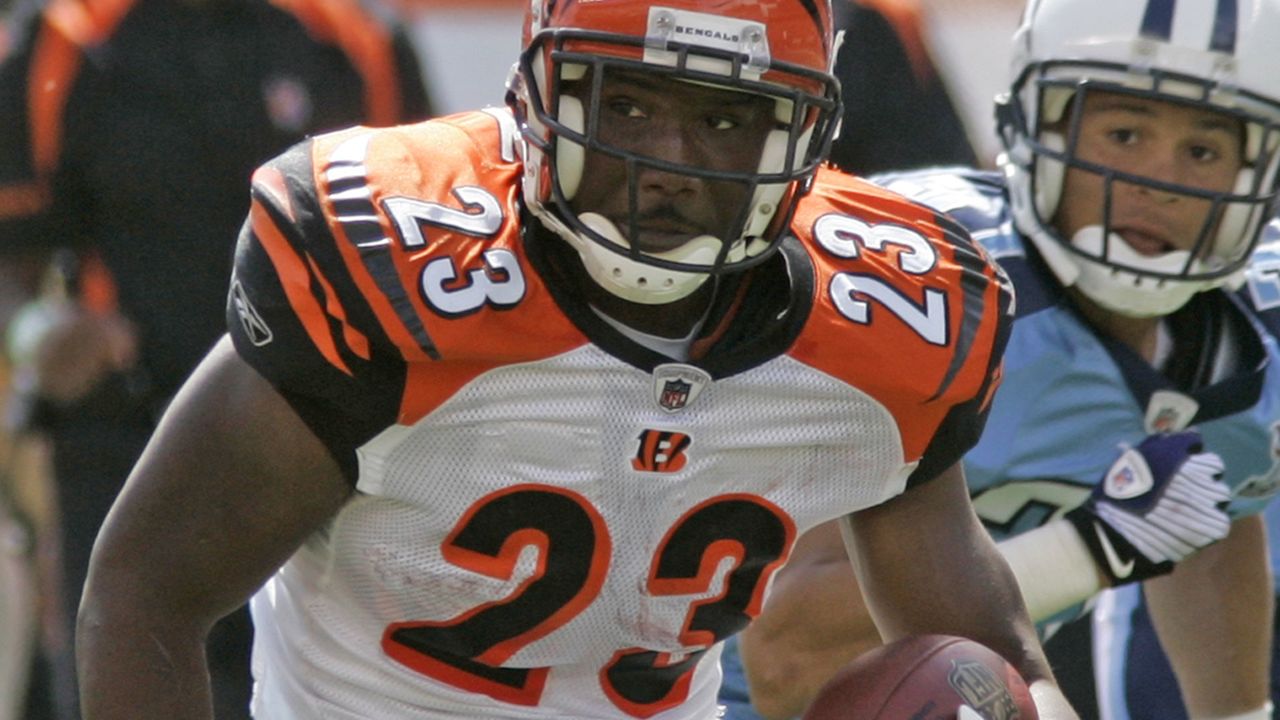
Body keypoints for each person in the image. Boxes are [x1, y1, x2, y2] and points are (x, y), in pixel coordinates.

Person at [74, 0, 1082, 718]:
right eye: (626, 103)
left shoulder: (884, 325)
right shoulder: (398, 266)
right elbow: (146, 593)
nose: (668, 164)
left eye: (725, 117)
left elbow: (983, 646)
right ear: (542, 90)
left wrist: (1010, 702)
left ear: (802, 133)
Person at [725, 0, 1280, 718]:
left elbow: (1212, 512)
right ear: (1033, 121)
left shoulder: (1242, 340)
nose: (1155, 178)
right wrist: (1094, 546)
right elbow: (786, 658)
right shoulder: (925, 285)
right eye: (1124, 132)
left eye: (1201, 151)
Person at [0, 0, 432, 716]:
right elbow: (14, 259)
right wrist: (40, 334)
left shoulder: (356, 37)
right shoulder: (71, 34)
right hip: (125, 446)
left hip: (324, 452)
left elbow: (438, 236)